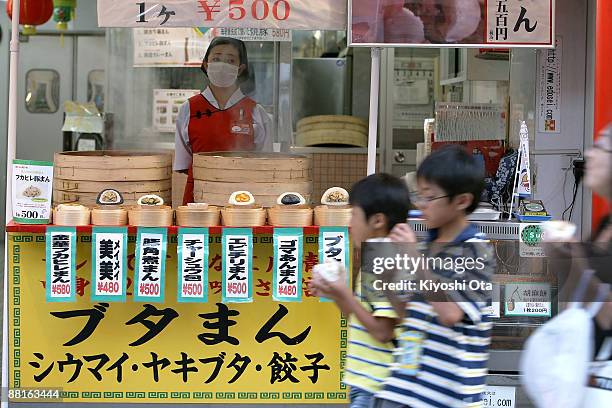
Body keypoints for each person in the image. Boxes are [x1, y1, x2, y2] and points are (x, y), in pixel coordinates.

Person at [373, 146, 494, 408]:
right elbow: (408, 315)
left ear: (461, 201)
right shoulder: (428, 246)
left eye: (429, 197)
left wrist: (412, 257)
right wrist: (386, 277)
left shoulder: (475, 249)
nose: (419, 204)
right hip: (406, 388)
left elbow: (450, 313)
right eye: (418, 194)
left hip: (447, 395)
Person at [309, 173, 411, 408]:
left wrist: (345, 294)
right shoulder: (376, 257)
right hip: (366, 382)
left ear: (377, 220)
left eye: (354, 214)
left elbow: (383, 332)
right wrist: (335, 293)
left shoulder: (385, 260)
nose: (350, 223)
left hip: (378, 385)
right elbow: (359, 316)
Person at [174, 37, 273, 205]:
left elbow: (265, 164)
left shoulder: (257, 112)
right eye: (216, 58)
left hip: (243, 199)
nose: (222, 64)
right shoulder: (188, 109)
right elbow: (183, 164)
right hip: (198, 199)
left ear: (240, 68)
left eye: (230, 60)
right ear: (206, 64)